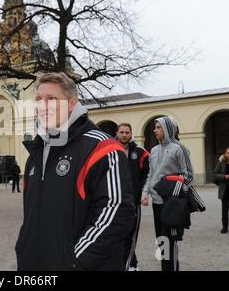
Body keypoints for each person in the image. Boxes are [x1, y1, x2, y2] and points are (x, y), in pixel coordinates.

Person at [16, 72, 135, 271]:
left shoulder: (102, 148)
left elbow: (116, 211)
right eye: (38, 99)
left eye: (52, 99)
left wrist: (74, 261)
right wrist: (23, 247)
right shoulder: (35, 153)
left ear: (72, 104)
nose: (43, 106)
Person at [141, 116, 205, 271]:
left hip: (172, 205)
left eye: (159, 127)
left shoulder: (179, 148)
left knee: (171, 242)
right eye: (155, 127)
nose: (155, 130)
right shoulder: (154, 150)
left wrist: (173, 193)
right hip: (157, 203)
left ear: (168, 129)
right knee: (162, 241)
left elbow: (188, 175)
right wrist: (145, 193)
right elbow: (151, 174)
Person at [116, 123, 149, 271]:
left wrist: (143, 193)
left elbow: (149, 174)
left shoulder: (141, 152)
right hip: (114, 202)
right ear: (117, 133)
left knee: (130, 235)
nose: (124, 135)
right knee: (117, 234)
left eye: (127, 132)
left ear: (131, 133)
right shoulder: (109, 150)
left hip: (132, 202)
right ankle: (130, 264)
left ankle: (129, 265)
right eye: (121, 132)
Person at [213, 147, 229, 233]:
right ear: (225, 154)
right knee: (224, 210)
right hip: (225, 190)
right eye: (228, 153)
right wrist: (224, 176)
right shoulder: (221, 162)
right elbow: (215, 174)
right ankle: (225, 227)